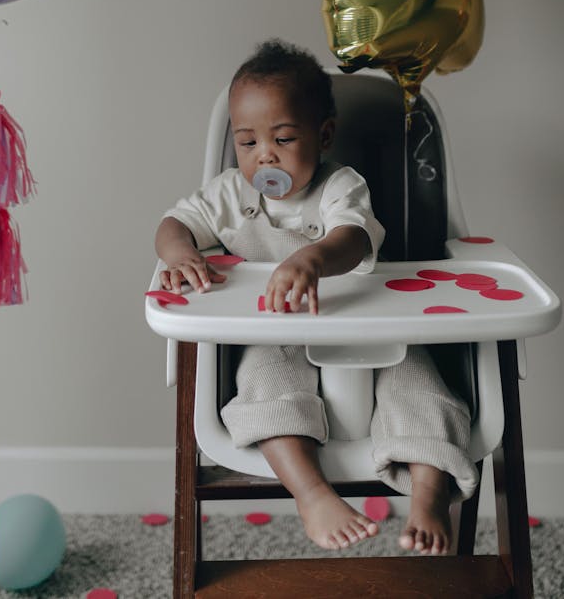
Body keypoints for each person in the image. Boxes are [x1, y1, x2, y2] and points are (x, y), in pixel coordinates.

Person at [155, 40, 478, 554]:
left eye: (283, 138)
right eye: (246, 142)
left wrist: (313, 259)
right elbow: (174, 224)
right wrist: (179, 255)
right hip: (275, 335)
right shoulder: (228, 195)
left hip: (371, 334)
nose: (264, 155)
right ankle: (312, 494)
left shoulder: (340, 186)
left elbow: (352, 235)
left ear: (323, 135)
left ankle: (429, 493)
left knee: (421, 387)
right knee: (262, 392)